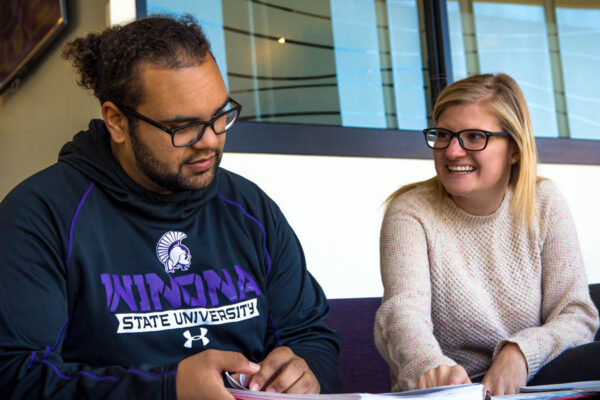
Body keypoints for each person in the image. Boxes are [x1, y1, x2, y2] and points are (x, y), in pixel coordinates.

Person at [0, 15, 339, 399]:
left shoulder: (250, 210)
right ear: (117, 122)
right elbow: (14, 375)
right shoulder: (40, 216)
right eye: (184, 127)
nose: (210, 141)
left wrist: (307, 374)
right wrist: (167, 389)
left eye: (219, 117)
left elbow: (309, 336)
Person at [374, 73, 599, 396]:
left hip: (536, 377)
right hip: (455, 390)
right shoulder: (410, 211)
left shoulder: (544, 201)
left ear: (515, 149)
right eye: (443, 135)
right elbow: (403, 312)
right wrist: (430, 368)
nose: (452, 152)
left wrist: (520, 352)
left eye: (475, 136)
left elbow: (576, 314)